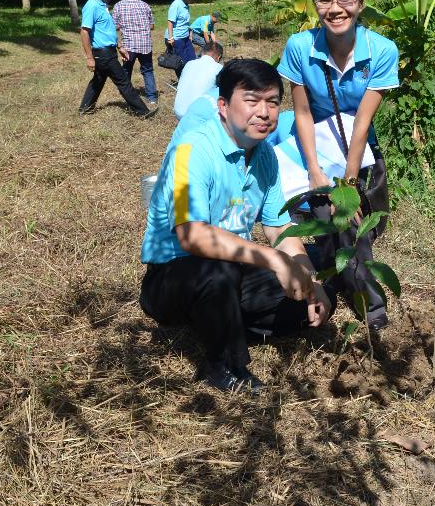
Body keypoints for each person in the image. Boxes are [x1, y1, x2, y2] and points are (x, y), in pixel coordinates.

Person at [140, 59, 334, 393]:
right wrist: (275, 260)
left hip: (234, 271)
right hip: (174, 278)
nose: (264, 112)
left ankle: (222, 323)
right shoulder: (192, 150)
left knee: (320, 274)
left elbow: (279, 229)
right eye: (251, 100)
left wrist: (309, 280)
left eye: (272, 102)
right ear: (224, 105)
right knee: (218, 271)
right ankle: (225, 365)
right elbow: (192, 236)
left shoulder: (264, 156)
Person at [277, 0, 399, 332]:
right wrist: (315, 173)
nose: (335, 9)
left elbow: (362, 123)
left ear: (361, 2)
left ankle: (363, 295)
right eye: (324, 0)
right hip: (309, 145)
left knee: (349, 219)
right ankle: (353, 290)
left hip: (354, 149)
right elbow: (300, 112)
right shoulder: (300, 47)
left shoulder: (381, 51)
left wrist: (345, 184)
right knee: (324, 214)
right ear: (315, 4)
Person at [79, 0, 156, 118]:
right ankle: (142, 112)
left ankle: (85, 109)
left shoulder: (102, 5)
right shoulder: (91, 6)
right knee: (123, 82)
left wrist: (120, 46)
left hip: (108, 51)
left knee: (98, 81)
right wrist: (89, 57)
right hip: (102, 54)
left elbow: (108, 30)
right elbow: (84, 32)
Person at [112, 0, 158, 106]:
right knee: (147, 70)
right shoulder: (145, 5)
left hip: (128, 46)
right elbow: (152, 26)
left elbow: (114, 27)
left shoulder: (118, 6)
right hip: (145, 44)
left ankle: (126, 95)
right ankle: (152, 97)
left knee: (126, 70)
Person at [173, 41, 223, 119]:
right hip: (197, 116)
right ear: (219, 57)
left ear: (202, 53)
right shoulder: (218, 68)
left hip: (178, 111)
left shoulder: (189, 64)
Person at [165, 0, 199, 74]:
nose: (193, 0)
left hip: (185, 37)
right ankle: (182, 82)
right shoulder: (176, 5)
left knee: (192, 60)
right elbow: (170, 22)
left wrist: (190, 34)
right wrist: (171, 38)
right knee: (181, 62)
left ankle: (191, 78)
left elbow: (185, 22)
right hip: (176, 38)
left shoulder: (186, 5)